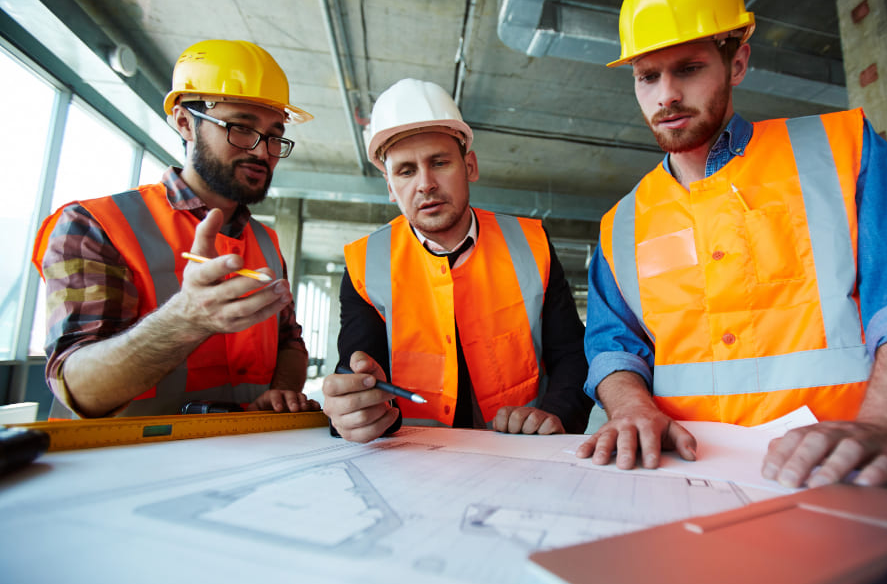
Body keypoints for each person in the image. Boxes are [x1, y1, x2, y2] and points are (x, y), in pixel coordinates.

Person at [578, 0, 887, 488]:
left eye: (688, 68)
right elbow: (615, 346)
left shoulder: (843, 151)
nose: (667, 96)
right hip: (687, 480)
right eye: (648, 76)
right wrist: (631, 407)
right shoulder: (622, 222)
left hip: (850, 476)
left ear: (738, 62)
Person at [32, 39, 320, 418]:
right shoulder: (95, 224)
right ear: (185, 122)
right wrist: (185, 319)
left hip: (247, 454)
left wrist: (281, 391)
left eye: (274, 135)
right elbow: (80, 390)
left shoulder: (266, 241)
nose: (261, 151)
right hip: (130, 464)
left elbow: (289, 341)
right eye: (241, 128)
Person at [322, 78, 591, 442]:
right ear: (390, 187)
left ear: (470, 167)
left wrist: (555, 413)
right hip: (409, 455)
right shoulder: (364, 262)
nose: (425, 183)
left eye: (439, 162)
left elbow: (572, 355)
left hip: (521, 451)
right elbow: (358, 368)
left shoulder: (531, 243)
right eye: (405, 171)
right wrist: (353, 409)